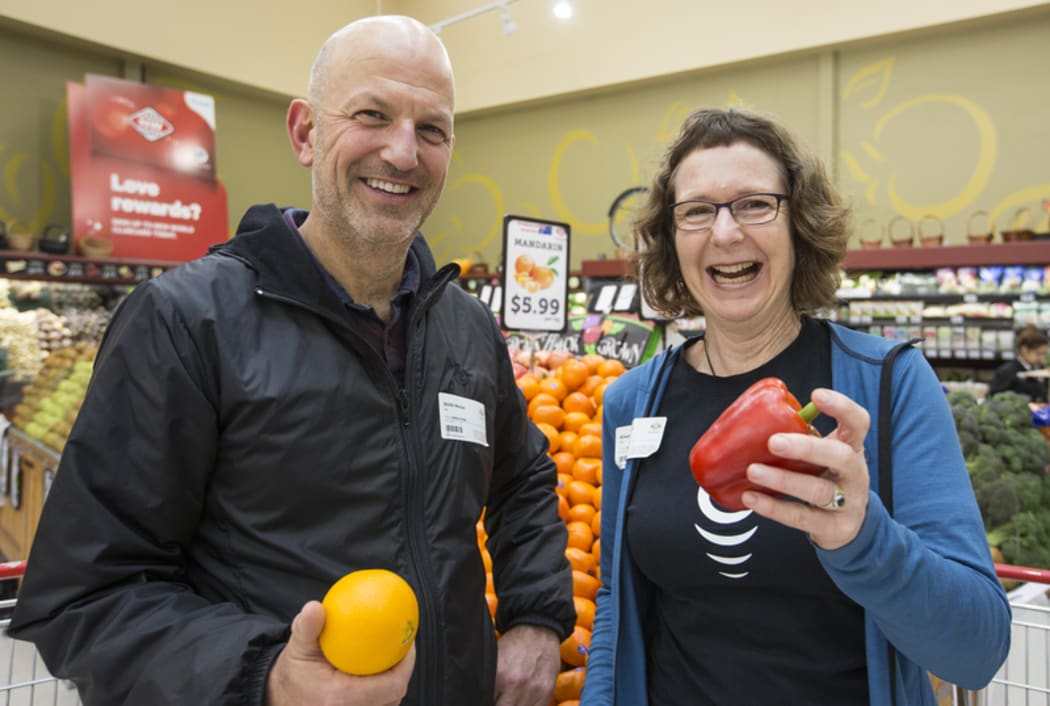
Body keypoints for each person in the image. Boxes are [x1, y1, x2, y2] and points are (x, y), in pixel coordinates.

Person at [9, 15, 575, 706]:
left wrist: (536, 617)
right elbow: (85, 597)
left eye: (433, 129)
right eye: (373, 115)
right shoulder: (188, 323)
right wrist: (266, 677)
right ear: (306, 133)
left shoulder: (465, 327)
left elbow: (522, 481)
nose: (403, 153)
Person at [581, 107, 1010, 706]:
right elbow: (615, 603)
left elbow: (977, 649)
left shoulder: (884, 383)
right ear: (671, 239)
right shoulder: (632, 401)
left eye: (756, 204)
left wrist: (864, 538)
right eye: (697, 210)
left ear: (799, 224)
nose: (725, 233)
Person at [989, 323, 1049, 402]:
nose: (1042, 358)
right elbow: (994, 397)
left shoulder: (1041, 369)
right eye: (1038, 354)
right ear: (1024, 350)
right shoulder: (1006, 371)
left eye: (1044, 354)